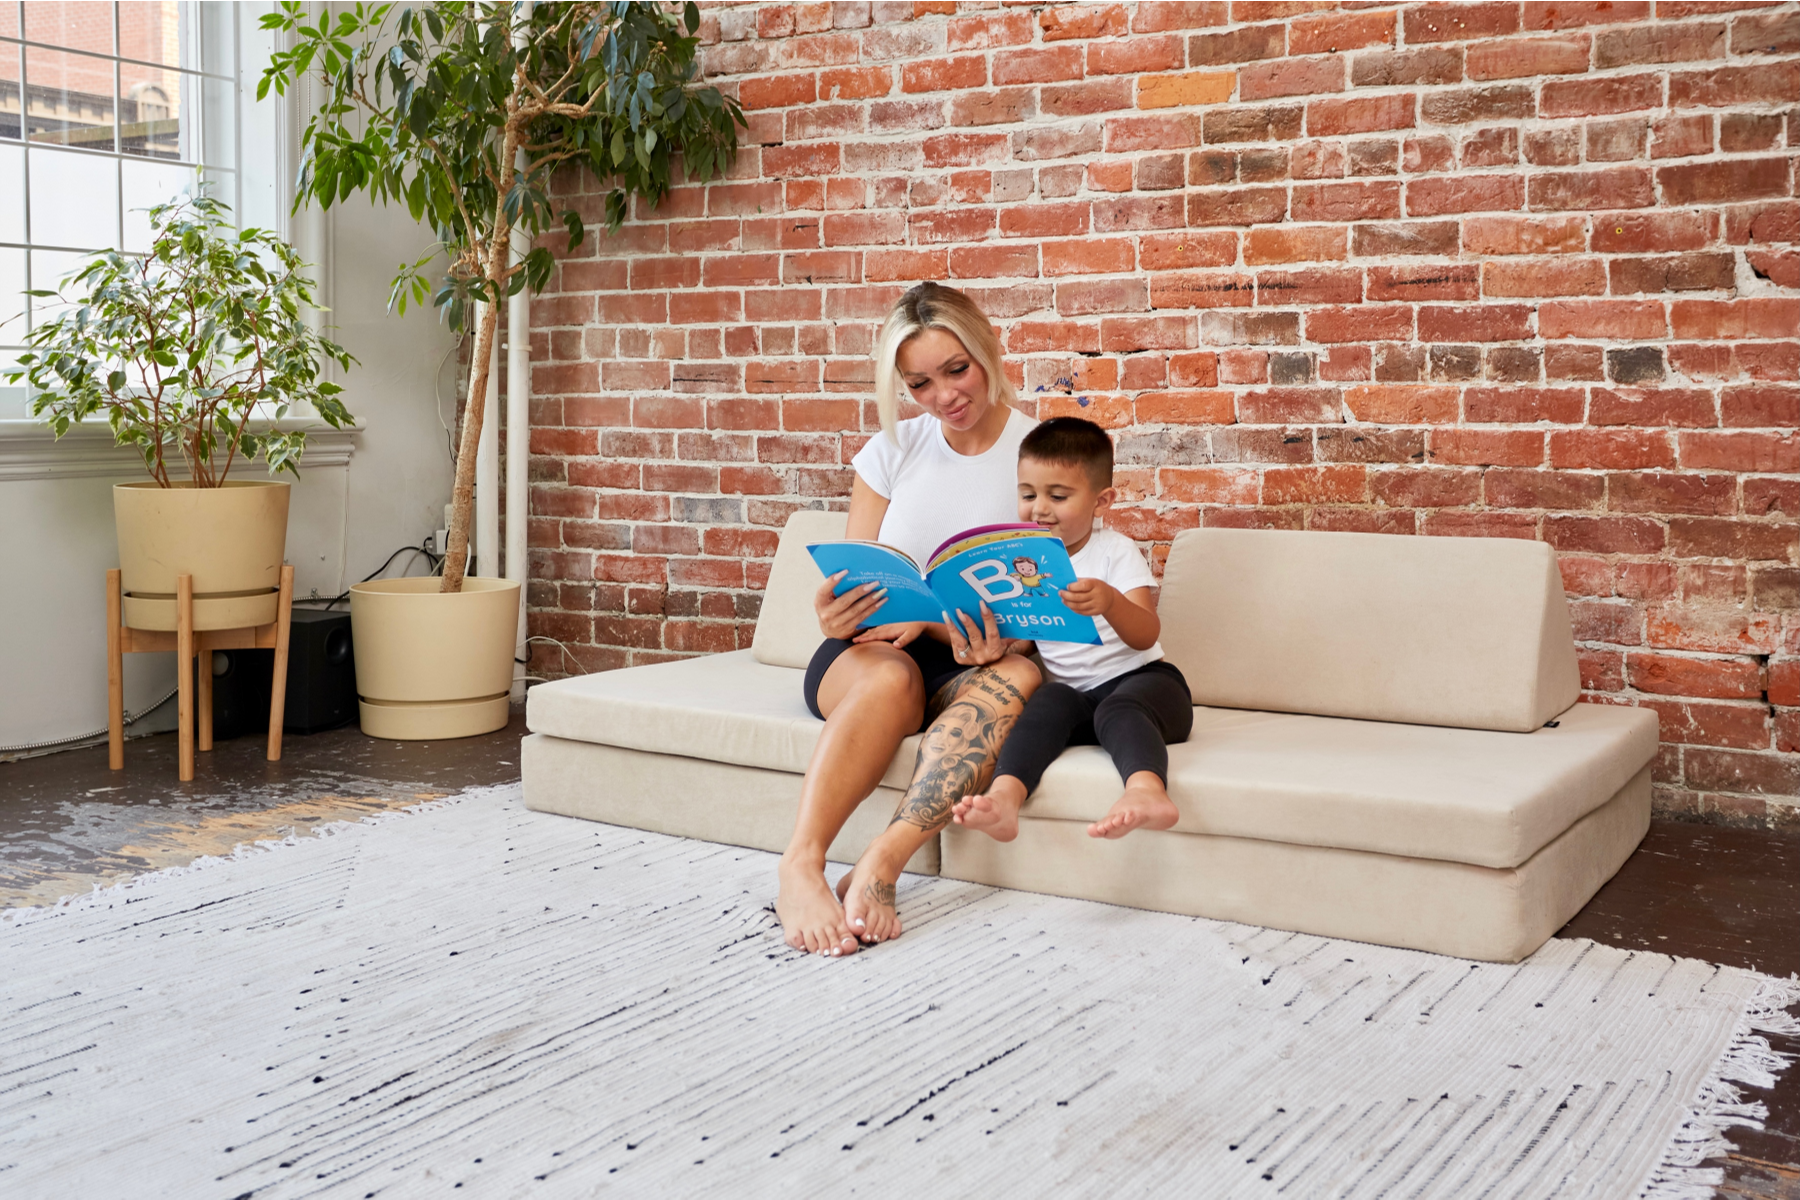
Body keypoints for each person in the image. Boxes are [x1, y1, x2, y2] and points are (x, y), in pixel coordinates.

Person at [779, 282, 1042, 958]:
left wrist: (992, 636)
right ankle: (801, 864)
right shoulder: (892, 449)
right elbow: (855, 579)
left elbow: (1049, 599)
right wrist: (831, 610)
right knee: (894, 679)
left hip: (972, 656)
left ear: (986, 344)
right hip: (872, 656)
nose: (944, 396)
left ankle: (880, 864)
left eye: (956, 370)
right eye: (919, 384)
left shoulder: (1042, 450)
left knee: (1017, 672)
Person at [952, 417, 1195, 842]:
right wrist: (999, 645)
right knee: (1047, 701)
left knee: (1118, 708)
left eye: (1058, 495)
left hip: (1148, 688)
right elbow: (1031, 636)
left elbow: (1146, 635)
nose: (1039, 508)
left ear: (1102, 502)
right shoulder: (1026, 561)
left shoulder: (1113, 552)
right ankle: (1005, 800)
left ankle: (1146, 793)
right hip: (1081, 702)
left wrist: (1111, 602)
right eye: (1027, 494)